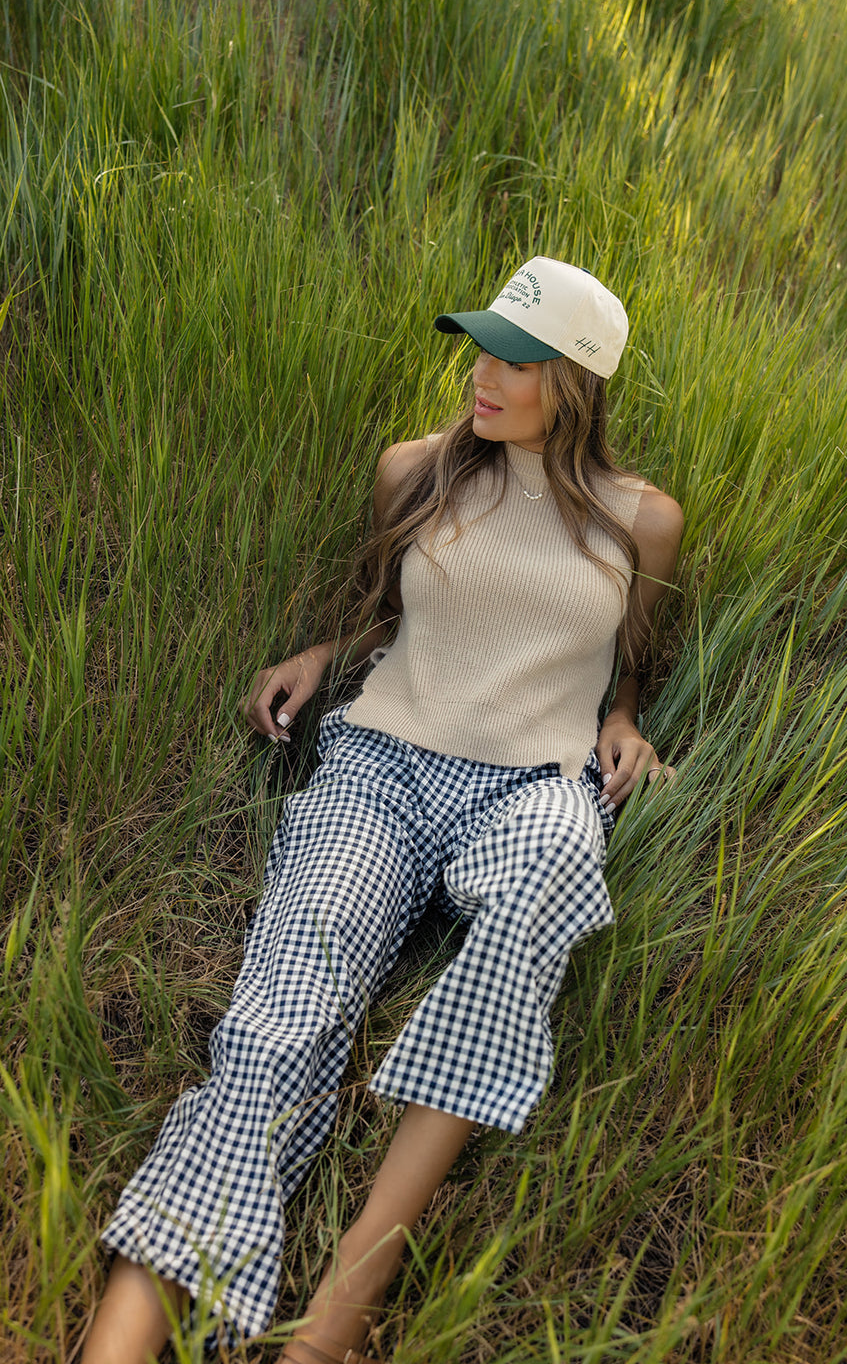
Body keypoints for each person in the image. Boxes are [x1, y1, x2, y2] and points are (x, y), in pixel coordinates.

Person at [83, 257, 683, 1364]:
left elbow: (626, 659)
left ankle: (345, 1297)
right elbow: (383, 618)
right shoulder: (414, 469)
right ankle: (120, 1341)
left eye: (515, 357)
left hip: (528, 787)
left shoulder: (642, 520)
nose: (480, 373)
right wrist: (323, 652)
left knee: (553, 869)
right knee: (280, 1015)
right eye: (479, 345)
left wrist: (629, 716)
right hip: (382, 767)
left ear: (579, 380)